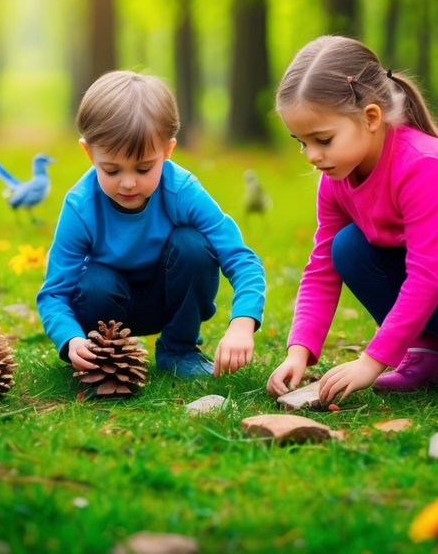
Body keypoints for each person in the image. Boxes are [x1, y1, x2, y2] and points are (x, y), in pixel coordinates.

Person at [266, 36, 438, 402]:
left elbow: (427, 278)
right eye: (302, 142)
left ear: (371, 118)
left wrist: (372, 361)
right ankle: (426, 352)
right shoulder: (336, 178)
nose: (312, 156)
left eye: (323, 139)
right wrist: (298, 350)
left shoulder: (423, 166)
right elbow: (322, 268)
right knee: (346, 248)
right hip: (437, 262)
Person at [37, 70, 267, 379]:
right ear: (88, 153)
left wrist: (242, 322)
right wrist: (71, 339)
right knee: (93, 280)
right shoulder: (81, 206)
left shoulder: (182, 190)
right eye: (112, 170)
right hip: (105, 307)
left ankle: (179, 349)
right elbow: (54, 292)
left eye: (144, 168)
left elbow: (240, 257)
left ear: (167, 151)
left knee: (193, 244)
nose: (128, 183)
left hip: (169, 299)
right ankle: (105, 359)